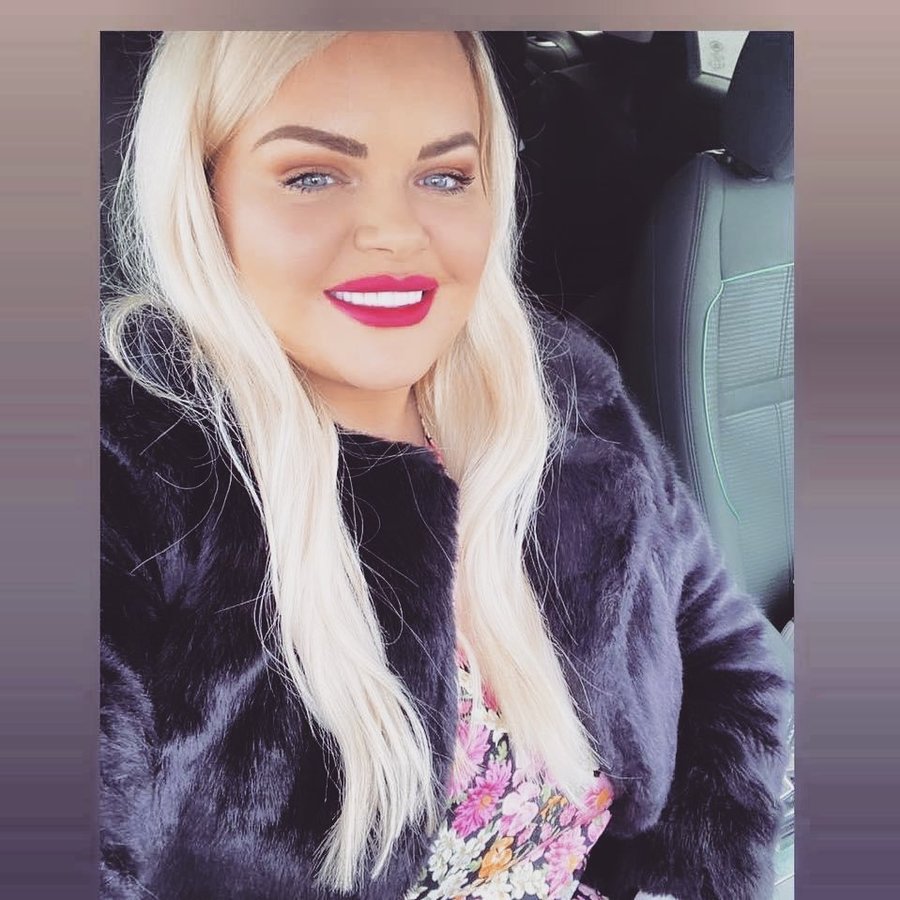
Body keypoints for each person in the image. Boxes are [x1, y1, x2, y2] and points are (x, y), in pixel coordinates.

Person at [99, 31, 791, 900]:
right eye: (311, 175)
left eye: (444, 177)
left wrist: (699, 871)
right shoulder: (127, 469)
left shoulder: (561, 391)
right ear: (205, 196)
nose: (395, 233)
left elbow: (727, 647)